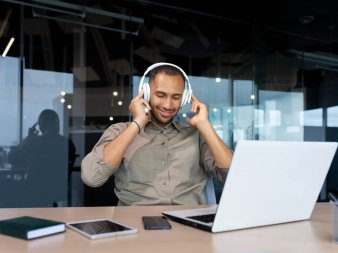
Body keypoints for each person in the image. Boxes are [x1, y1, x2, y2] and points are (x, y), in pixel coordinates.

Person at [81, 62, 233, 206]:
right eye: (160, 95)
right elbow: (92, 178)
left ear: (185, 98)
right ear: (146, 94)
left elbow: (233, 175)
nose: (168, 105)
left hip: (188, 220)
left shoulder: (196, 135)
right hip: (135, 222)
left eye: (176, 97)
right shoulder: (120, 131)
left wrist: (205, 125)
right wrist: (138, 123)